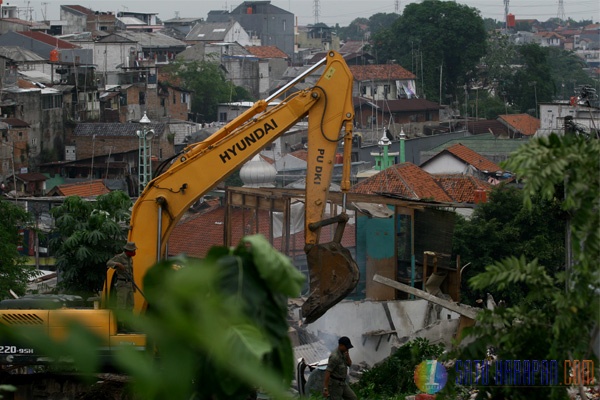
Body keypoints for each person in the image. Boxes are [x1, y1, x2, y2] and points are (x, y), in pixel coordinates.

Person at [106, 242, 137, 314]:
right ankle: (120, 323)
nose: (134, 252)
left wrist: (133, 284)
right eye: (133, 250)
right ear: (128, 250)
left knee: (131, 305)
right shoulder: (119, 257)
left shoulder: (130, 259)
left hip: (129, 284)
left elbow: (131, 273)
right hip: (122, 284)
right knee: (121, 305)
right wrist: (118, 264)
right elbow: (108, 263)